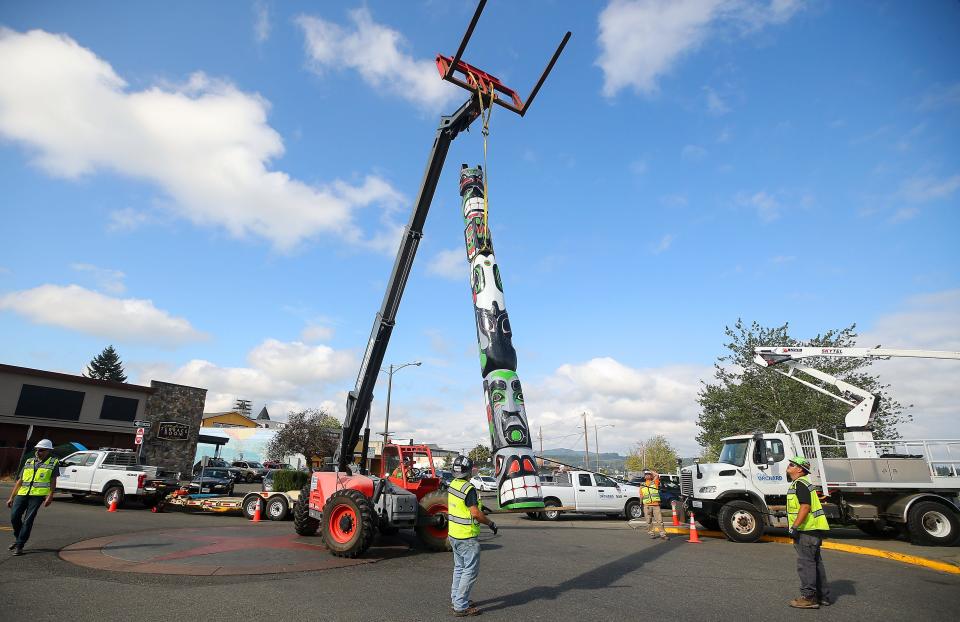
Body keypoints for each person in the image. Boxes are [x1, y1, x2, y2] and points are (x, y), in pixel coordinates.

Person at [447, 455, 498, 617]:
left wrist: (479, 507)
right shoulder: (468, 489)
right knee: (469, 571)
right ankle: (461, 606)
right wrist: (490, 523)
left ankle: (456, 599)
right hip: (467, 537)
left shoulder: (453, 484)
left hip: (454, 534)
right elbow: (475, 514)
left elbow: (465, 508)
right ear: (468, 471)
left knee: (460, 568)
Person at [786, 456, 832, 609]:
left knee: (806, 564)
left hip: (806, 530)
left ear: (799, 469)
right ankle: (822, 596)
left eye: (791, 464)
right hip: (812, 530)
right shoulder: (804, 483)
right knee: (815, 563)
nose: (788, 466)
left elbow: (805, 507)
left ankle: (809, 598)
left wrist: (795, 526)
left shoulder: (800, 483)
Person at [6, 439, 59, 556]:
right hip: (22, 493)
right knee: (14, 517)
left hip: (37, 495)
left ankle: (19, 545)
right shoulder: (29, 461)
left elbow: (53, 481)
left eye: (41, 450)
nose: (38, 452)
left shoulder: (53, 462)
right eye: (37, 449)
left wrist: (50, 495)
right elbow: (20, 480)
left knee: (28, 520)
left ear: (48, 451)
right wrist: (11, 497)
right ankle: (19, 538)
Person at [640, 469, 668, 540]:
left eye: (649, 474)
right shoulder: (642, 485)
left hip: (656, 505)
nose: (648, 475)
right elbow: (641, 495)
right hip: (647, 505)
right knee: (648, 521)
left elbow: (657, 475)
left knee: (659, 520)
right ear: (644, 477)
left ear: (651, 476)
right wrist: (640, 504)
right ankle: (651, 533)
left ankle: (663, 534)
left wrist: (649, 470)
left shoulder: (654, 482)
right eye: (646, 474)